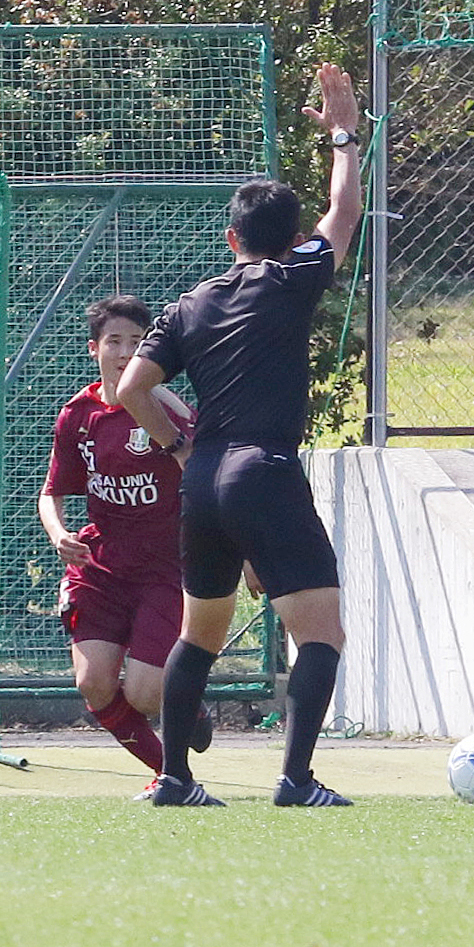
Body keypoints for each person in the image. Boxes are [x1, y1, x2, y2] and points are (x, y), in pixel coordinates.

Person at [107, 62, 366, 808]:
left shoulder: (191, 303)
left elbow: (132, 388)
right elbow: (343, 214)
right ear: (289, 242)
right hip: (265, 471)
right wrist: (344, 133)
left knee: (201, 636)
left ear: (231, 238)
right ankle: (294, 779)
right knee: (321, 635)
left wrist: (177, 446)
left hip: (203, 480)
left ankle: (177, 781)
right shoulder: (292, 278)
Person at [37, 295, 194, 792]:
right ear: (94, 349)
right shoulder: (77, 416)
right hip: (99, 567)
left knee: (145, 694)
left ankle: (182, 697)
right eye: (114, 342)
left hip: (163, 568)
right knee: (93, 683)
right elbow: (51, 494)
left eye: (135, 342)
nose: (125, 352)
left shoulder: (165, 408)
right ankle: (167, 772)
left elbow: (202, 467)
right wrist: (59, 534)